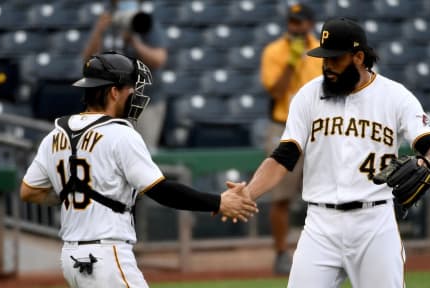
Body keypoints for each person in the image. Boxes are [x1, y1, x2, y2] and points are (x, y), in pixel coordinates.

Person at [230, 18, 430, 287]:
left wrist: (427, 163)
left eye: (336, 59)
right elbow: (283, 157)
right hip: (321, 225)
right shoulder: (308, 96)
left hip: (375, 223)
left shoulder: (395, 96)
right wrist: (248, 193)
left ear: (359, 57)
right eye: (324, 59)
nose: (327, 66)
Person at [20, 52, 258, 288]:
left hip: (71, 257)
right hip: (105, 256)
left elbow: (29, 191)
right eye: (130, 89)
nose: (135, 95)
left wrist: (72, 196)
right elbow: (161, 191)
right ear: (114, 92)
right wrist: (218, 202)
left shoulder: (54, 135)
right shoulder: (121, 134)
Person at [259, 2, 322, 274]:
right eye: (292, 22)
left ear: (309, 23)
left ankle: (322, 251)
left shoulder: (322, 51)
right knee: (281, 197)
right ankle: (281, 253)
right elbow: (275, 90)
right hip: (283, 125)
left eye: (300, 22)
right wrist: (292, 60)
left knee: (324, 194)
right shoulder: (274, 51)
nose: (295, 27)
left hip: (317, 128)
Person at [82, 0, 167, 151]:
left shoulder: (141, 20)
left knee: (141, 153)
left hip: (143, 103)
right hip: (111, 101)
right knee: (110, 153)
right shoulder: (106, 19)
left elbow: (159, 59)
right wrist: (98, 31)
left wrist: (134, 41)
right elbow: (87, 61)